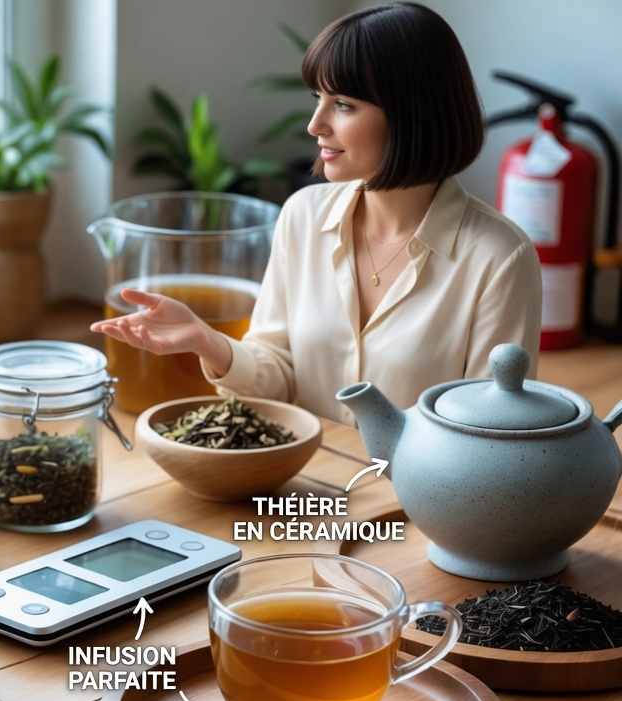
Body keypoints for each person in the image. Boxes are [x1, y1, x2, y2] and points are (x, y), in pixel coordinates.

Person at [91, 3, 541, 427]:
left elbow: (488, 435)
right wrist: (206, 341)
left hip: (422, 505)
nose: (315, 123)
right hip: (301, 491)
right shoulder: (302, 216)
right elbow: (278, 374)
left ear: (412, 116)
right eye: (318, 97)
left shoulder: (500, 258)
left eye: (343, 104)